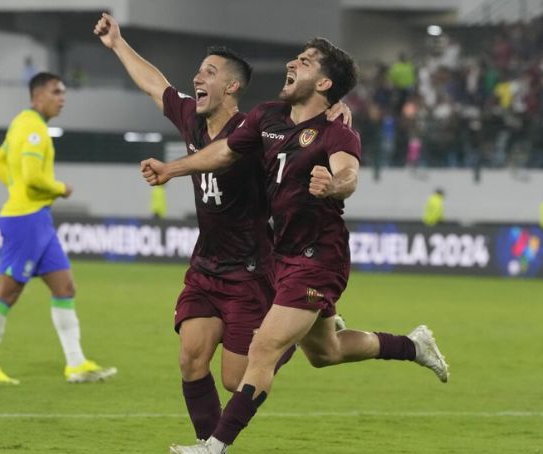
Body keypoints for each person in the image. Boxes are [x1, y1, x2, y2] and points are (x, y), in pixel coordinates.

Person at [141, 37, 450, 454]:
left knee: (263, 350)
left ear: (323, 84)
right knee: (326, 352)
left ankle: (212, 447)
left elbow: (349, 175)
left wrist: (333, 186)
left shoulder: (336, 132)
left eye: (304, 61)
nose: (292, 63)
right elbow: (223, 154)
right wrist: (172, 170)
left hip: (318, 257)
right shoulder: (268, 117)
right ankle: (413, 345)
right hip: (282, 255)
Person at [93, 14, 351, 442]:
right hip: (206, 266)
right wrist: (118, 43)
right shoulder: (192, 119)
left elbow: (302, 124)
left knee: (236, 378)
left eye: (209, 72)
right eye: (198, 71)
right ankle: (207, 447)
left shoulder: (252, 133)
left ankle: (298, 330)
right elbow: (155, 85)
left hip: (251, 271)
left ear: (232, 87)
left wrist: (338, 116)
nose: (197, 77)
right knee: (191, 358)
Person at [0, 72, 116, 385]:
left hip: (36, 219)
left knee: (65, 287)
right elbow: (35, 178)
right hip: (26, 219)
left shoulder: (19, 123)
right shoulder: (35, 130)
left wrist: (15, 188)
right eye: (55, 92)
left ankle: (76, 365)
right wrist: (60, 187)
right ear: (37, 96)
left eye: (63, 92)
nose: (62, 98)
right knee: (8, 292)